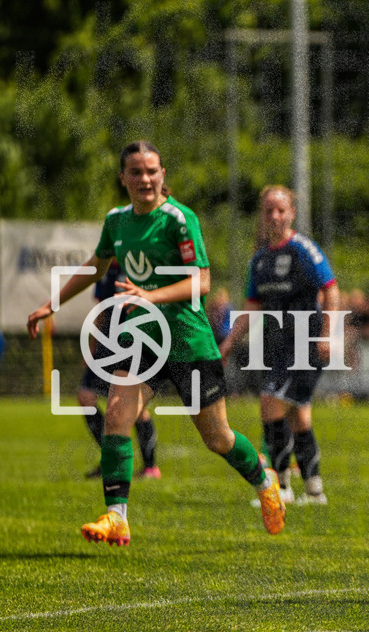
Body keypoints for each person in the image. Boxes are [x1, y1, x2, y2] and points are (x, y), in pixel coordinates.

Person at [27, 140, 285, 546]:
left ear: (162, 175)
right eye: (136, 172)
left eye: (151, 171)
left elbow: (202, 282)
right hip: (142, 338)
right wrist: (50, 304)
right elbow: (96, 266)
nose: (145, 179)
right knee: (116, 415)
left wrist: (150, 295)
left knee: (217, 438)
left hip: (188, 341)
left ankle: (263, 479)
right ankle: (117, 517)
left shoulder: (179, 220)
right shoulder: (117, 221)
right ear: (123, 178)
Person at [219, 185, 340, 505]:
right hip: (277, 345)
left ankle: (281, 486)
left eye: (281, 210)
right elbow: (251, 307)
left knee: (270, 401)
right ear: (262, 215)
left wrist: (327, 334)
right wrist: (228, 343)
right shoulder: (260, 260)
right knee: (298, 416)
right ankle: (314, 490)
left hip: (306, 342)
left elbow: (331, 289)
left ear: (292, 213)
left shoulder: (303, 249)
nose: (275, 216)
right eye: (269, 210)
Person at [81, 261, 160, 479]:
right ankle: (112, 459)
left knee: (135, 405)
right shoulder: (103, 268)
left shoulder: (138, 263)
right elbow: (101, 311)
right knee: (85, 397)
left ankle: (150, 467)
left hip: (132, 342)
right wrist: (93, 345)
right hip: (106, 344)